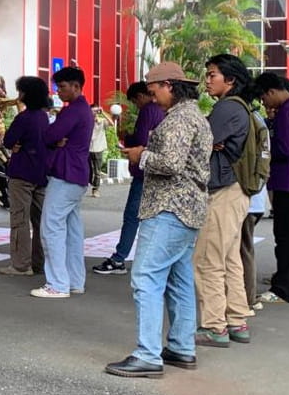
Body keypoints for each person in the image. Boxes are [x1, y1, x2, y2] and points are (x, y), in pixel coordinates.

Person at [105, 62, 213, 378]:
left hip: (168, 208)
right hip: (188, 209)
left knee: (146, 278)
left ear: (169, 86)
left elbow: (171, 163)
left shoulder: (179, 119)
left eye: (154, 92)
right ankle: (181, 346)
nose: (153, 99)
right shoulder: (194, 115)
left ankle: (148, 355)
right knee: (179, 280)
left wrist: (141, 155)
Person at [194, 54, 254, 347]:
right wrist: (213, 142)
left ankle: (214, 326)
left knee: (207, 259)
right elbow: (211, 142)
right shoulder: (240, 107)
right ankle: (236, 320)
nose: (207, 80)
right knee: (229, 259)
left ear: (230, 79)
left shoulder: (227, 108)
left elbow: (200, 141)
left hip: (223, 191)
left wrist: (212, 142)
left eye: (212, 75)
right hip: (236, 190)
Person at [30, 66, 93, 299]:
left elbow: (49, 135)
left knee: (51, 228)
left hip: (65, 174)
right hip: (78, 175)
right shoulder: (84, 109)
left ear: (76, 86)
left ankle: (57, 284)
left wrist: (55, 138)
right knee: (72, 231)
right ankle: (74, 281)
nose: (59, 91)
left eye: (63, 87)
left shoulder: (72, 111)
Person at [92, 82, 166, 275]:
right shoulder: (163, 111)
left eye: (135, 101)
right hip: (157, 171)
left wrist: (128, 138)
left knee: (132, 216)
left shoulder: (148, 110)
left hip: (144, 171)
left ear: (141, 96)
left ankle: (119, 258)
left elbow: (141, 139)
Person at [253, 73, 289, 304]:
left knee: (287, 238)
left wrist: (262, 150)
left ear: (271, 92)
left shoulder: (287, 111)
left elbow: (286, 148)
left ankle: (283, 288)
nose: (264, 103)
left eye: (264, 98)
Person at [0, 76, 50, 276]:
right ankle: (39, 262)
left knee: (20, 220)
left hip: (21, 174)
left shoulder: (24, 118)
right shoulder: (44, 117)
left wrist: (16, 145)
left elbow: (8, 140)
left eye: (21, 91)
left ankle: (20, 265)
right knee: (39, 222)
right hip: (41, 174)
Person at [241, 184, 268, 312]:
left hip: (247, 204)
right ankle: (249, 297)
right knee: (246, 249)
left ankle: (248, 298)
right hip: (256, 202)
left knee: (242, 251)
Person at [87, 105, 113, 197]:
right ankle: (88, 183)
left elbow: (111, 123)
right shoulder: (87, 121)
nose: (94, 113)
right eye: (92, 111)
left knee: (97, 171)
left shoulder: (101, 121)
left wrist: (103, 113)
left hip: (98, 148)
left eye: (96, 111)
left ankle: (96, 189)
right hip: (88, 148)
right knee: (89, 169)